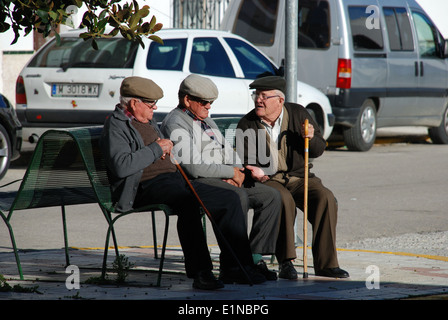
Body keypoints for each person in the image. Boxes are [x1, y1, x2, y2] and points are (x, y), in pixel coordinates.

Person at [100, 76, 266, 290]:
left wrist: (162, 150)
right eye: (151, 104)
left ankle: (238, 267)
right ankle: (201, 272)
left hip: (174, 179)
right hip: (145, 186)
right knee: (188, 202)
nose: (155, 108)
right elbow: (122, 165)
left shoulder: (147, 121)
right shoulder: (116, 126)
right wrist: (156, 149)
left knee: (229, 197)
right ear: (134, 103)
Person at [160, 74, 282, 281]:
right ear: (187, 100)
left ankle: (251, 258)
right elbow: (194, 167)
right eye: (204, 102)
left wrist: (238, 173)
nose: (209, 107)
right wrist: (229, 174)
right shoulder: (176, 123)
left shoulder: (204, 119)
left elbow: (227, 150)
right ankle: (234, 266)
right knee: (236, 197)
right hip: (197, 181)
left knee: (271, 196)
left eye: (211, 103)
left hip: (222, 175)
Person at [236, 75, 349, 279]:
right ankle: (286, 262)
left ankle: (327, 264)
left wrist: (311, 137)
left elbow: (318, 149)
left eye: (264, 96)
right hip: (268, 179)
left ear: (280, 100)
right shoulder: (248, 124)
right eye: (256, 95)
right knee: (283, 199)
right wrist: (257, 172)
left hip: (299, 177)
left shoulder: (298, 113)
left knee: (325, 198)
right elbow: (245, 160)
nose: (258, 100)